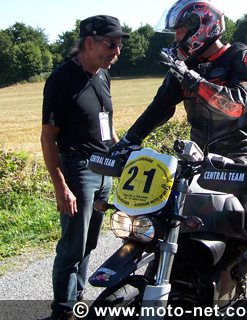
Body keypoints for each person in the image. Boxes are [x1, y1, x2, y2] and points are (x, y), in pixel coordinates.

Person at [111, 0, 247, 277]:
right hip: (197, 154)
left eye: (180, 31)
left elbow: (237, 106)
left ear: (202, 28)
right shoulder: (185, 65)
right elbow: (159, 108)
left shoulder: (240, 55)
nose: (176, 38)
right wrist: (128, 141)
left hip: (240, 151)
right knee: (165, 212)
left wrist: (192, 80)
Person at [41, 15, 129, 320]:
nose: (117, 52)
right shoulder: (62, 79)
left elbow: (106, 124)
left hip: (104, 169)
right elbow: (48, 137)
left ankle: (76, 300)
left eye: (119, 45)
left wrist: (124, 153)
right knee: (73, 247)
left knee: (90, 242)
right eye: (111, 45)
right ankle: (62, 312)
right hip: (79, 171)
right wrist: (61, 187)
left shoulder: (102, 75)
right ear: (89, 43)